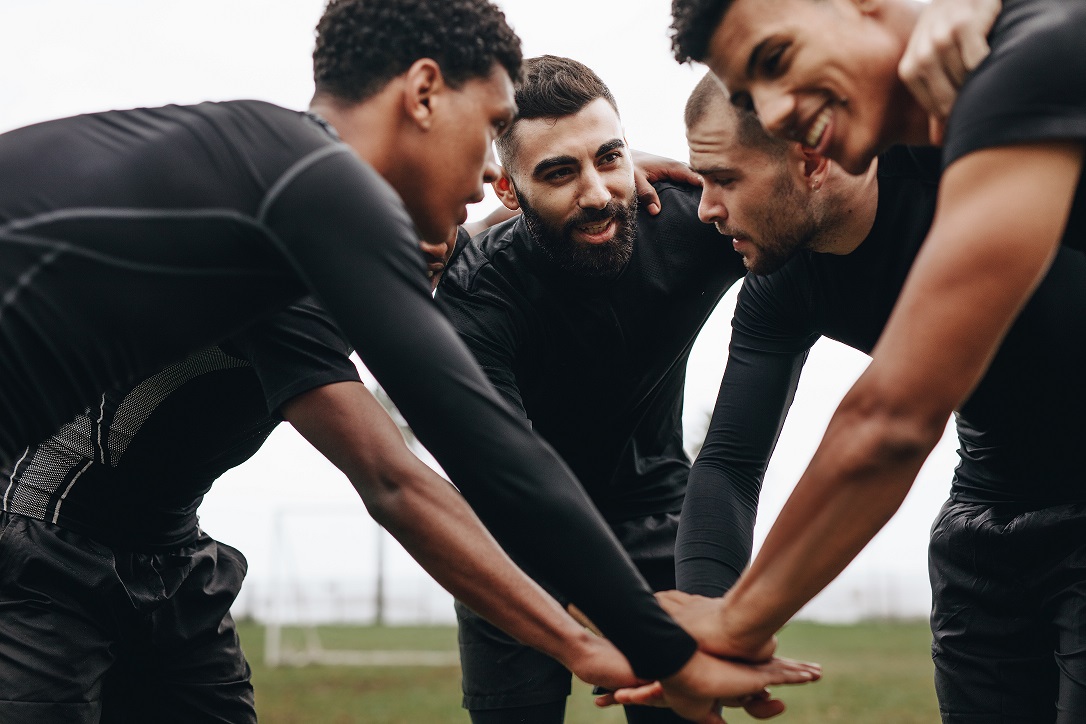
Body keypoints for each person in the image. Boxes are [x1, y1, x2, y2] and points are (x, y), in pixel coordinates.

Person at [0, 0, 819, 720]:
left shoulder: (294, 190)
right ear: (425, 93)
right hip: (40, 547)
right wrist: (618, 646)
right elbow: (411, 474)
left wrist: (591, 186)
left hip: (171, 559)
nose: (493, 169)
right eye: (491, 124)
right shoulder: (298, 208)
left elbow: (478, 247)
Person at [651, 0, 1086, 691]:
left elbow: (894, 416)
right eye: (748, 94)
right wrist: (702, 621)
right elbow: (729, 462)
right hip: (985, 516)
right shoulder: (785, 277)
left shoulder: (1020, 64)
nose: (775, 107)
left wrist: (740, 622)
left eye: (775, 60)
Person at [435, 55, 753, 724]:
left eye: (609, 158)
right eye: (558, 172)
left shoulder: (690, 221)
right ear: (508, 192)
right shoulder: (475, 292)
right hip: (515, 542)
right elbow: (502, 484)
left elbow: (799, 211)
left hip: (662, 519)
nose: (598, 193)